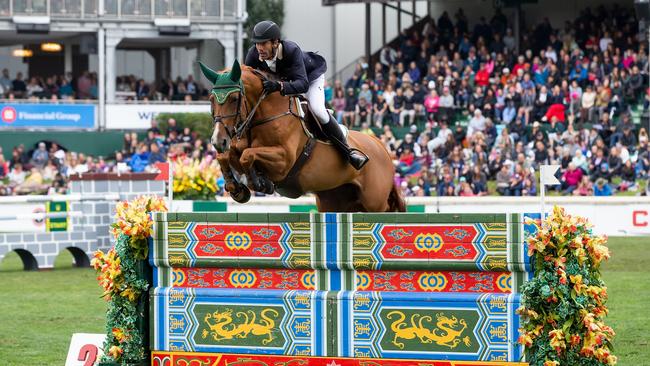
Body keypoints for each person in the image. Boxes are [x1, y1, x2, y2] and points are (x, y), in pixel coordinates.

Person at [244, 20, 368, 170]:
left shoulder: (291, 50)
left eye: (263, 44)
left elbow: (302, 84)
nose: (259, 48)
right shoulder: (253, 54)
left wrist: (278, 86)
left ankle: (348, 152)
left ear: (275, 42)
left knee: (317, 110)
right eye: (257, 44)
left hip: (310, 79)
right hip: (285, 82)